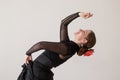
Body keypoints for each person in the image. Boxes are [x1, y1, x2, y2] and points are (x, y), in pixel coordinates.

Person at [25, 12, 96, 80]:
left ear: (84, 41)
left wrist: (28, 53)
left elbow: (41, 45)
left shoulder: (67, 48)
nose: (80, 29)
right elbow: (63, 23)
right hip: (37, 72)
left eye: (84, 32)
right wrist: (79, 14)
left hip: (37, 75)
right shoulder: (68, 46)